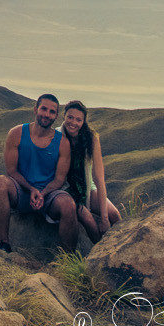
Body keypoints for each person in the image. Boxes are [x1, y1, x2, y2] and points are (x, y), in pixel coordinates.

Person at [0, 93, 80, 252]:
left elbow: (59, 179)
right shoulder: (16, 133)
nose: (47, 114)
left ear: (56, 116)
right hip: (22, 191)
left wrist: (42, 193)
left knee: (68, 204)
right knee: (0, 182)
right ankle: (4, 243)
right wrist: (32, 190)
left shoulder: (62, 143)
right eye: (43, 109)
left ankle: (70, 259)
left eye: (52, 111)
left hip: (48, 196)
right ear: (35, 109)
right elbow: (11, 170)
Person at [62, 99, 122, 243]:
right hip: (65, 188)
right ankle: (99, 256)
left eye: (78, 119)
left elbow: (99, 177)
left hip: (87, 187)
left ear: (84, 121)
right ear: (64, 116)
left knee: (114, 215)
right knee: (88, 220)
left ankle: (122, 249)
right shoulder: (57, 135)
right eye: (70, 117)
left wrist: (104, 218)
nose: (73, 122)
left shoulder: (91, 138)